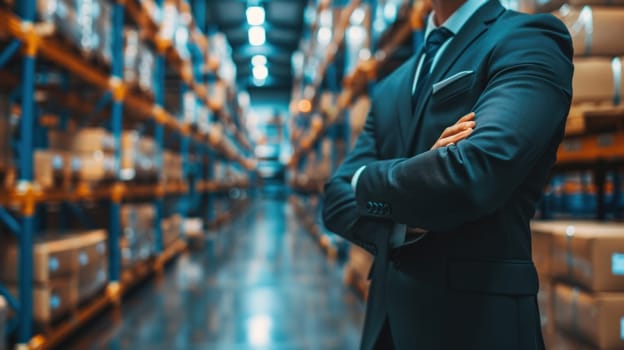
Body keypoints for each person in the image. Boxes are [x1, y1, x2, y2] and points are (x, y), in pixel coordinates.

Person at [321, 0, 574, 348]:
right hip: (385, 327)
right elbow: (334, 198)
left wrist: (364, 179)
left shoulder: (529, 39)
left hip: (475, 327)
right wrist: (415, 190)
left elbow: (473, 174)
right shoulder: (392, 86)